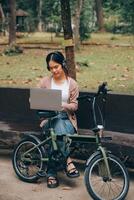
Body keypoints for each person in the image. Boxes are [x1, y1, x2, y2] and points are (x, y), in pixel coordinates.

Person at [38, 51, 80, 188]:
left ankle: (51, 173)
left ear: (62, 65)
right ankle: (68, 160)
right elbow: (35, 99)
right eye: (50, 68)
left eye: (56, 67)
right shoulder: (45, 82)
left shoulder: (72, 84)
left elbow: (74, 106)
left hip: (67, 119)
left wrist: (62, 105)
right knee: (55, 130)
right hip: (49, 119)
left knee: (57, 132)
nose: (54, 70)